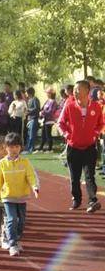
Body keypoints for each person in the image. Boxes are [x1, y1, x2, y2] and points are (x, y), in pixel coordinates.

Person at [58, 80, 103, 213]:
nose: (75, 92)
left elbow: (101, 123)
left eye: (78, 89)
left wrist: (95, 133)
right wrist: (67, 134)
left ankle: (92, 200)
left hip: (89, 146)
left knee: (90, 175)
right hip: (73, 147)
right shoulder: (69, 106)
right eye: (75, 90)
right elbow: (60, 123)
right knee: (75, 176)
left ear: (87, 91)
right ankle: (76, 199)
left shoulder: (96, 106)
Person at [0, 133, 40, 256]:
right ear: (6, 147)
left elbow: (31, 175)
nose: (14, 150)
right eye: (11, 147)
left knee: (21, 221)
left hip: (21, 197)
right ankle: (12, 244)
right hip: (8, 197)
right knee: (12, 219)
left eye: (16, 147)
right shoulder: (2, 164)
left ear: (20, 147)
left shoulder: (25, 162)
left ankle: (17, 238)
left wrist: (35, 186)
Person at [38, 88, 58, 152]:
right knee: (43, 134)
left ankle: (50, 148)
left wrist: (43, 112)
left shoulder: (53, 102)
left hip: (49, 120)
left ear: (51, 94)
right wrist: (41, 112)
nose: (47, 94)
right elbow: (43, 108)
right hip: (44, 120)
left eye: (48, 93)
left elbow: (51, 111)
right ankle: (41, 148)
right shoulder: (48, 100)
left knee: (48, 134)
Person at [23, 87, 40, 154]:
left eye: (26, 93)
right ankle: (28, 148)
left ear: (29, 93)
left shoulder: (35, 99)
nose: (25, 94)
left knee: (32, 135)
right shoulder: (29, 100)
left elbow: (37, 108)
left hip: (34, 119)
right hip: (29, 119)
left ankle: (31, 149)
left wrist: (28, 111)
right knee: (29, 134)